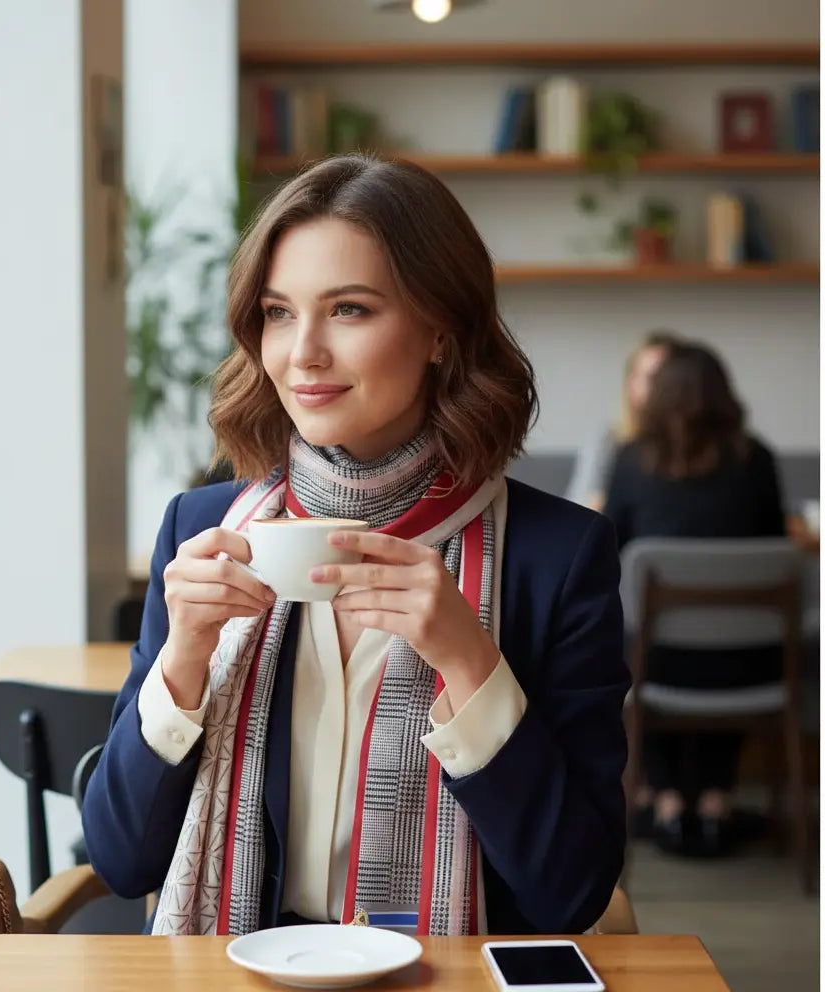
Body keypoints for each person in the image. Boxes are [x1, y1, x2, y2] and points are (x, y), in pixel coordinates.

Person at [83, 154, 629, 936]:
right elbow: (120, 860)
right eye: (277, 312)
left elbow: (570, 894)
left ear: (441, 329)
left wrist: (470, 663)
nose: (302, 352)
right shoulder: (202, 531)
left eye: (349, 310)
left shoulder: (556, 559)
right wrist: (183, 664)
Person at [603, 342, 786, 857]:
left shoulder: (632, 460)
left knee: (641, 645)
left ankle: (664, 802)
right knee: (724, 645)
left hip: (655, 665)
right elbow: (772, 548)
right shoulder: (758, 458)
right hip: (751, 666)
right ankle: (712, 803)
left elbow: (609, 549)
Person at [566, 331, 682, 510]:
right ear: (631, 384)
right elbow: (578, 510)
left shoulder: (714, 451)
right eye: (651, 377)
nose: (659, 387)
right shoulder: (610, 442)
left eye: (666, 378)